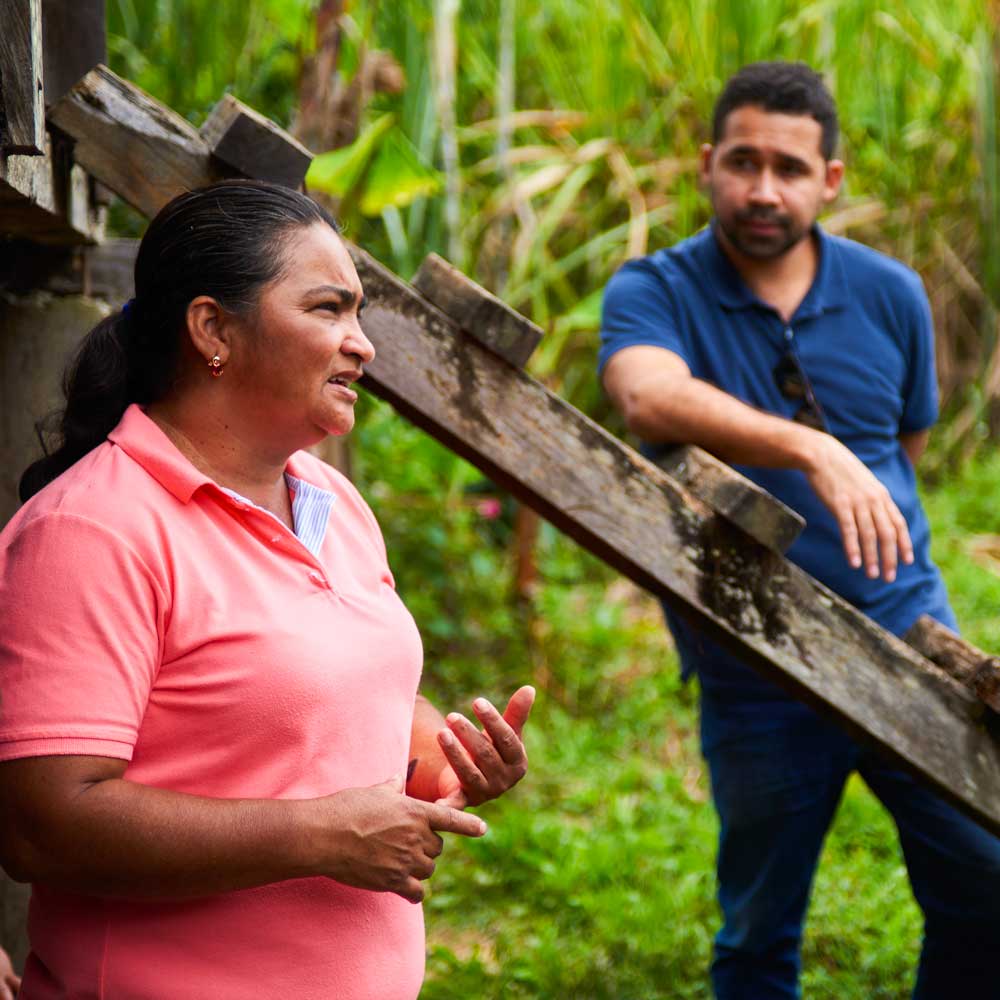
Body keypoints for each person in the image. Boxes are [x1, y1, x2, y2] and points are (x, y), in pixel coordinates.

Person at [0, 180, 534, 1000]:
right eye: (328, 310)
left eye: (358, 314)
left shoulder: (332, 503)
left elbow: (326, 701)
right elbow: (43, 824)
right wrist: (318, 837)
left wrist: (445, 762)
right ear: (214, 328)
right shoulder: (93, 530)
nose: (362, 345)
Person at [599, 61, 1000, 998]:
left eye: (789, 166)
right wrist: (812, 451)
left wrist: (852, 468)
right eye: (743, 162)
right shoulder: (654, 289)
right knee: (759, 926)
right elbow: (645, 393)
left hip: (907, 637)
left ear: (832, 179)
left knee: (985, 882)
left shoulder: (891, 294)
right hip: (754, 655)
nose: (764, 188)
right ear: (707, 165)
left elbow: (905, 440)